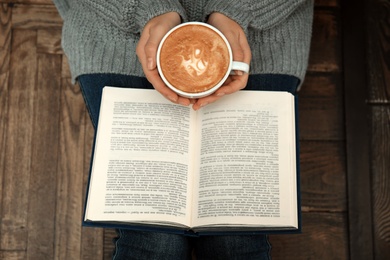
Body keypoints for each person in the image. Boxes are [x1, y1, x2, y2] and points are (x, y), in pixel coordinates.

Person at [53, 0, 314, 259]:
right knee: (154, 236)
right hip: (119, 37)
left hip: (260, 40)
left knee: (235, 234)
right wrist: (146, 7)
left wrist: (240, 7)